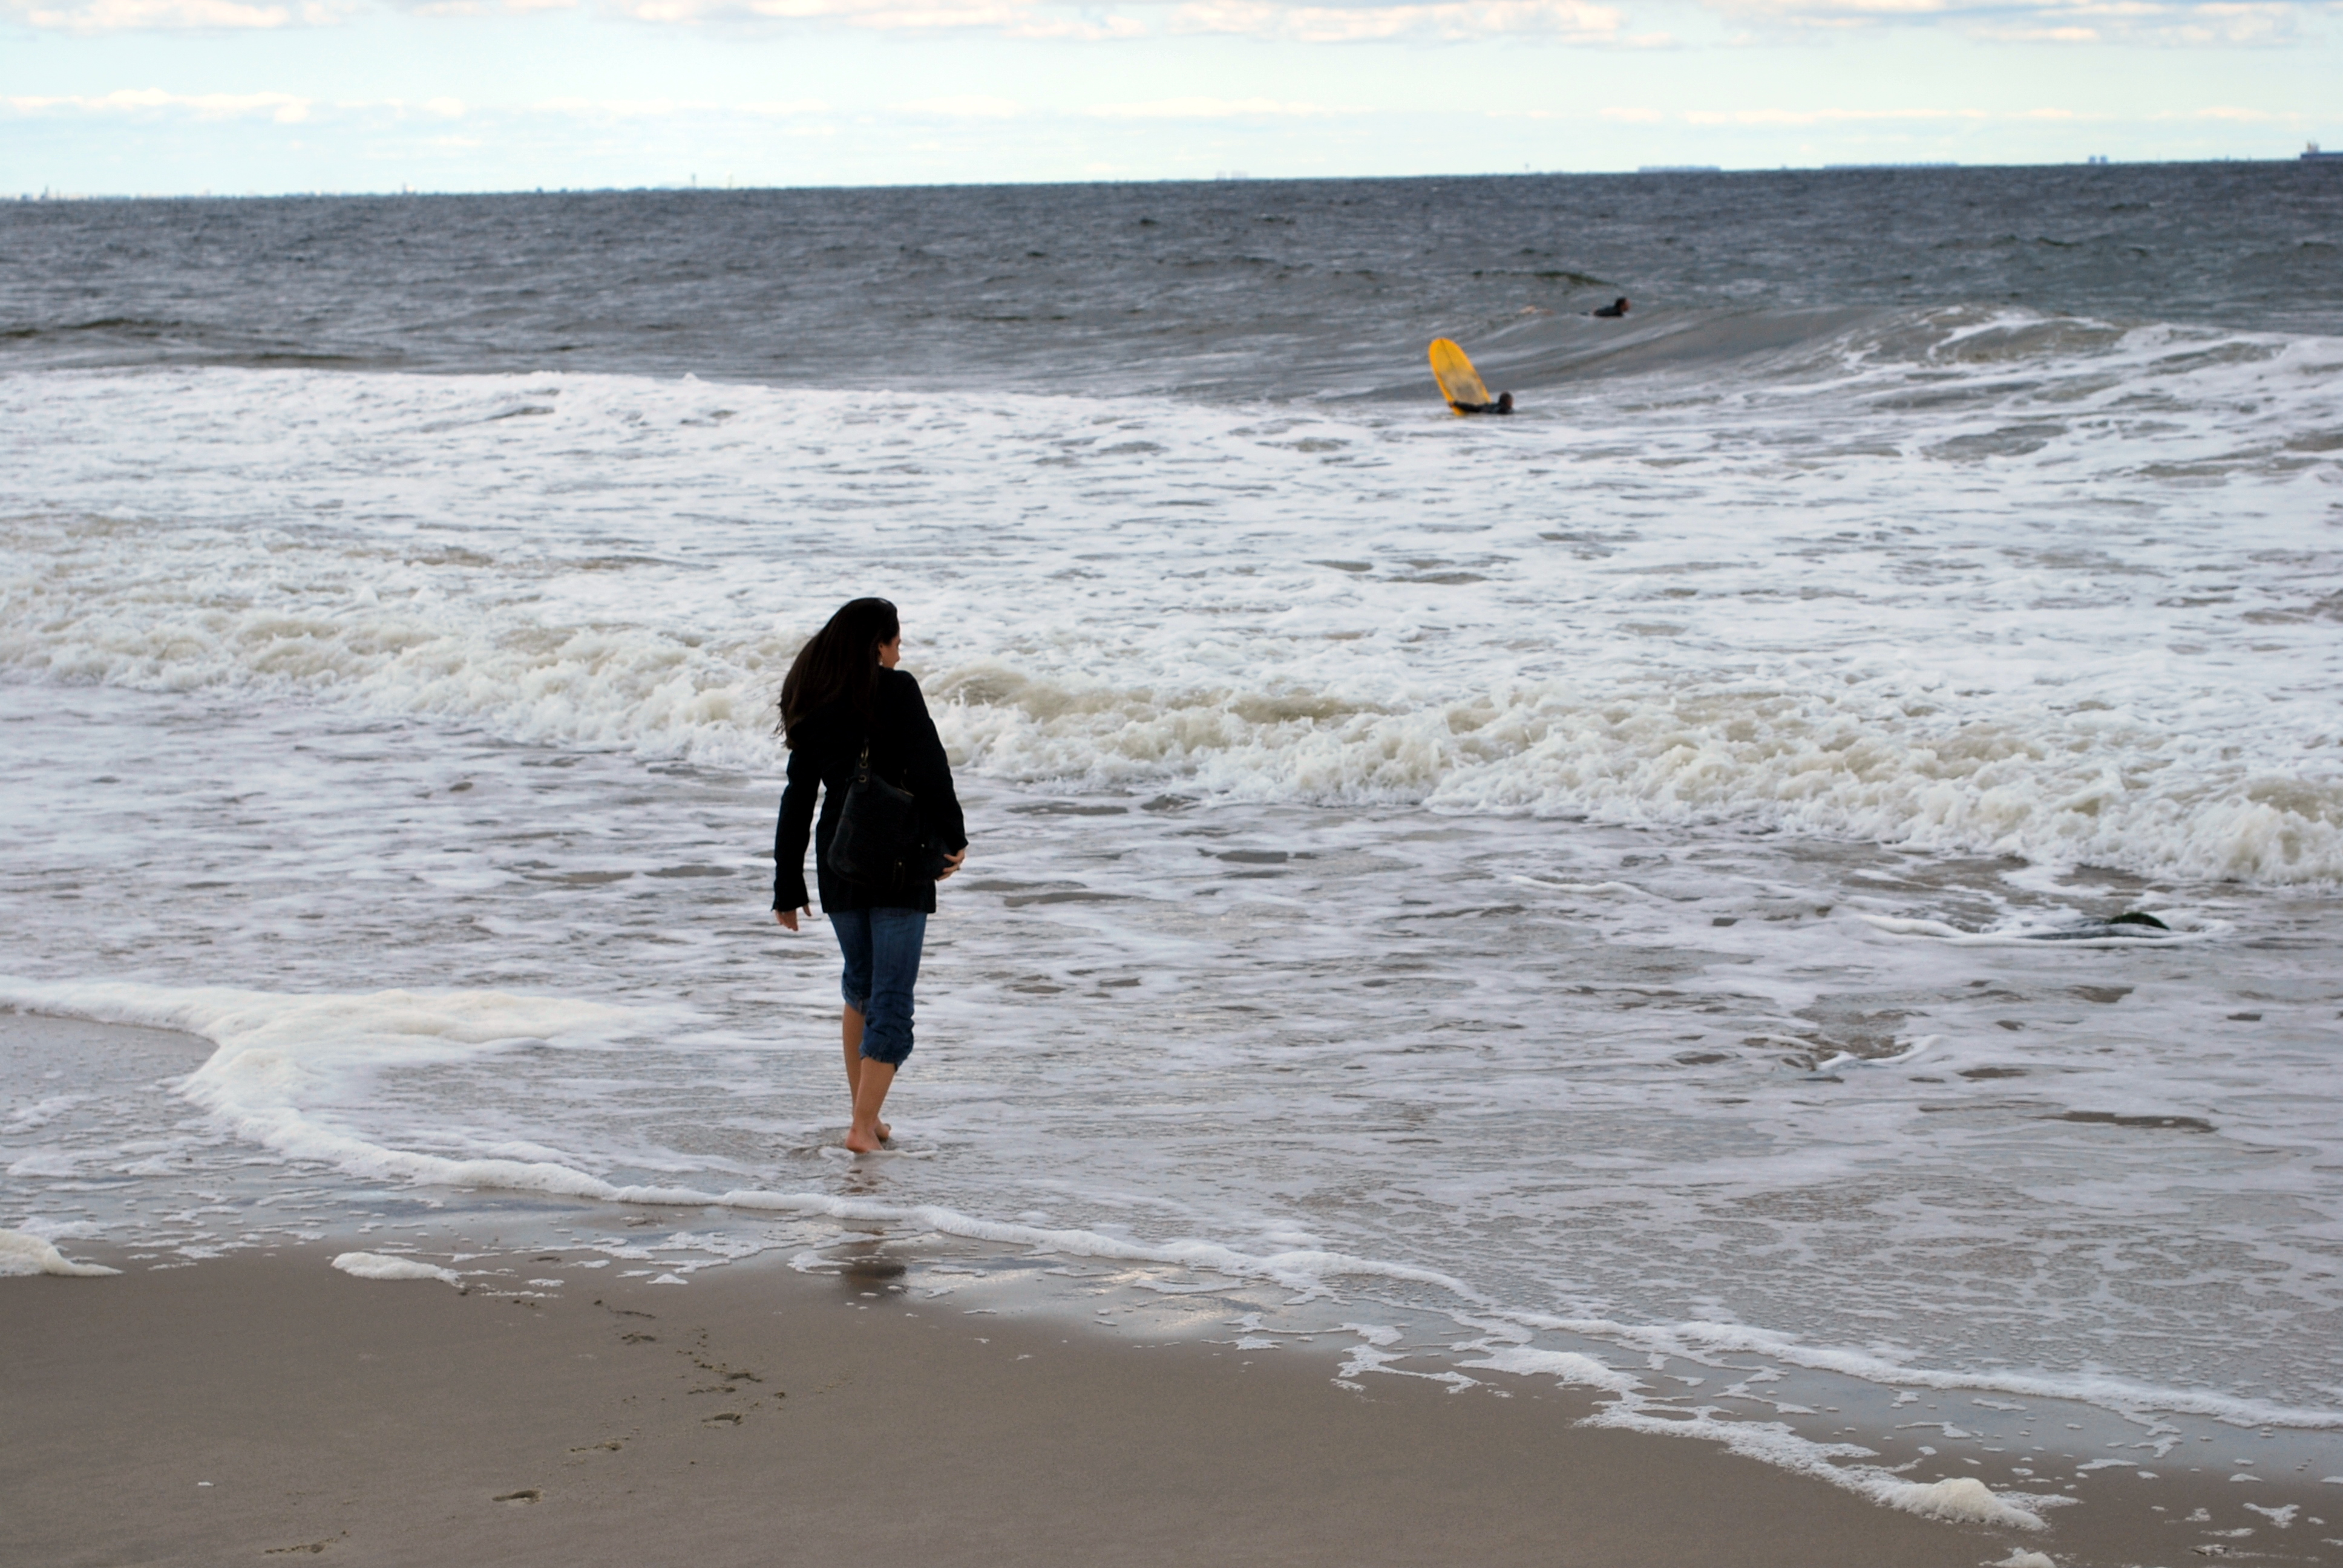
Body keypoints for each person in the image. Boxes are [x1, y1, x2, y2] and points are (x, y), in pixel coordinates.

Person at [772, 598, 968, 1154]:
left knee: (861, 986)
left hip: (839, 859)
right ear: (877, 644)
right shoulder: (898, 690)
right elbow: (931, 768)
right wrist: (954, 838)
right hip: (901, 855)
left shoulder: (814, 698)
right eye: (896, 642)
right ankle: (862, 1128)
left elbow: (798, 798)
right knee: (892, 998)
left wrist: (787, 883)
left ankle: (867, 1115)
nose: (899, 653)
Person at [1451, 391, 1515, 416]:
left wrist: (1456, 404)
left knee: (1474, 409)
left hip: (1484, 412)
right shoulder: (1508, 410)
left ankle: (1455, 403)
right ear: (1509, 402)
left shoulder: (1489, 405)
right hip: (1489, 416)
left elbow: (1472, 408)